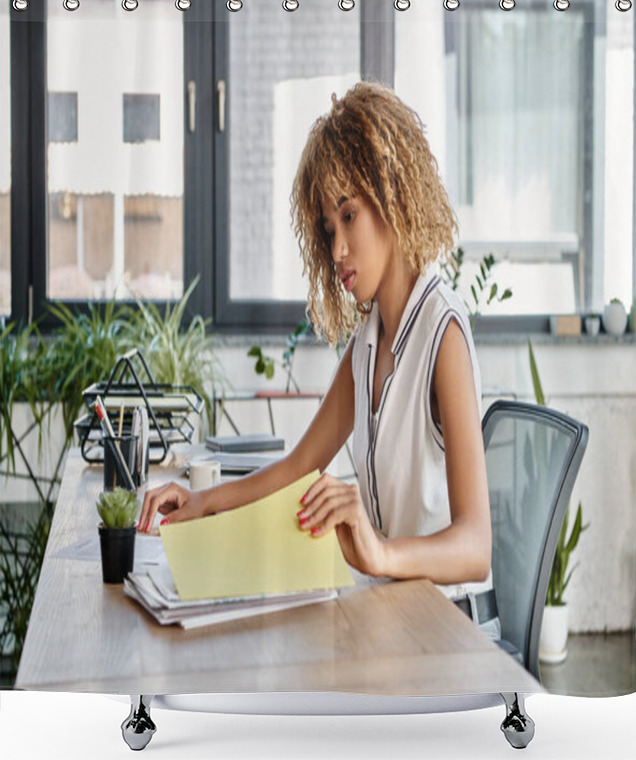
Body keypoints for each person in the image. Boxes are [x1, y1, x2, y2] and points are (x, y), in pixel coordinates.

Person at [138, 82, 498, 634]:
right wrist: (203, 502)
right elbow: (297, 469)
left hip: (452, 628)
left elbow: (475, 547)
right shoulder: (369, 340)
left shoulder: (442, 333)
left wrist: (380, 552)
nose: (337, 250)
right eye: (328, 229)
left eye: (349, 216)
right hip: (395, 613)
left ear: (394, 195)